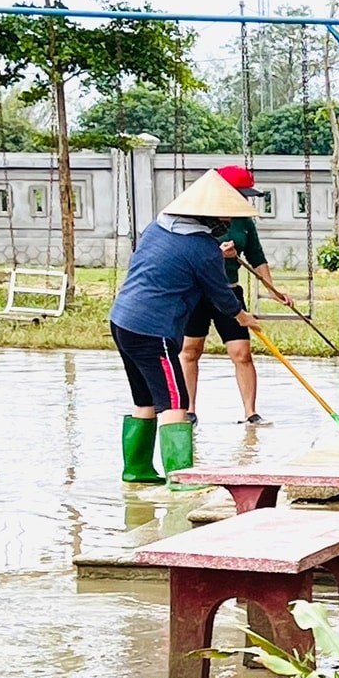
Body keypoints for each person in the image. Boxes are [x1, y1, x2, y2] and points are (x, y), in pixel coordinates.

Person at [111, 170, 260, 484]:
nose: (227, 222)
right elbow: (221, 294)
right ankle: (181, 479)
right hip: (153, 330)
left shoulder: (156, 229)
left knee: (146, 399)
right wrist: (242, 316)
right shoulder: (202, 249)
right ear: (210, 216)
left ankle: (136, 469)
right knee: (175, 402)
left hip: (122, 320)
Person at [179, 163, 290, 426]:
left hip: (229, 292)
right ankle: (188, 410)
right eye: (241, 193)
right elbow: (190, 255)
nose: (245, 199)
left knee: (242, 352)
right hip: (197, 293)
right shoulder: (198, 217)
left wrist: (272, 290)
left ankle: (250, 412)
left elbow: (257, 257)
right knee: (190, 350)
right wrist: (217, 253)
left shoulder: (244, 221)